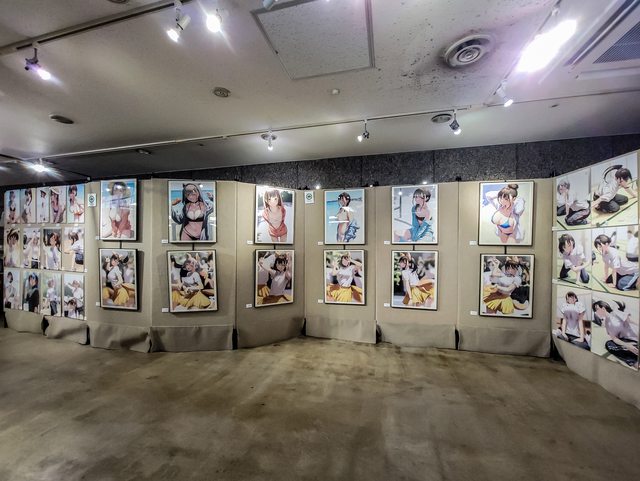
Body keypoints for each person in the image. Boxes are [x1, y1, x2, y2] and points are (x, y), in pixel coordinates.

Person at [592, 300, 639, 367]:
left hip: (636, 338)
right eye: (595, 310)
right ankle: (635, 361)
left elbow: (632, 322)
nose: (596, 312)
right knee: (609, 344)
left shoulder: (616, 313)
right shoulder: (607, 323)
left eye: (597, 309)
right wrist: (626, 345)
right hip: (628, 342)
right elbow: (614, 339)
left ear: (603, 308)